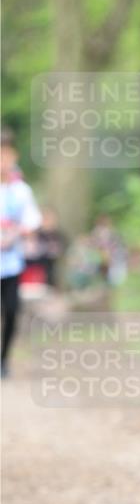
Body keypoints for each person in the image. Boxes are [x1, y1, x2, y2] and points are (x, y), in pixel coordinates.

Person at [1, 129, 42, 376]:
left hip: (11, 263)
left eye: (6, 154)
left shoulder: (21, 191)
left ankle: (3, 359)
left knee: (11, 310)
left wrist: (22, 231)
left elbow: (32, 219)